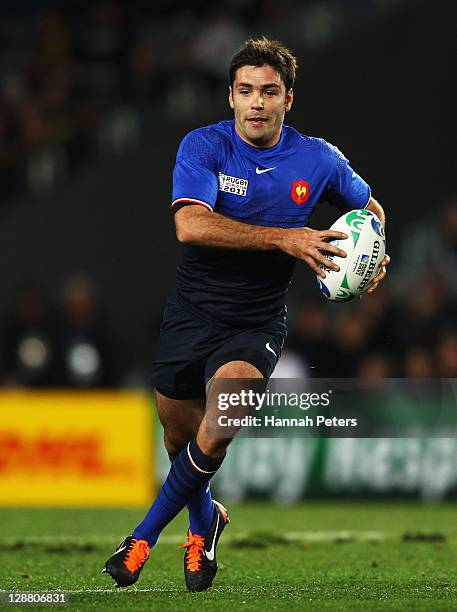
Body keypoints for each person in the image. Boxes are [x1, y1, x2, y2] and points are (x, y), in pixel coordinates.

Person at [102, 37, 389, 591]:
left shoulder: (318, 159)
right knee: (180, 442)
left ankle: (140, 539)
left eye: (269, 92)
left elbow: (369, 208)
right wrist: (287, 239)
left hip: (255, 324)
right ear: (231, 97)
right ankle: (207, 523)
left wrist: (376, 253)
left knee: (219, 427)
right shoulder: (203, 146)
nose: (257, 103)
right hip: (190, 315)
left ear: (289, 100)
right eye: (246, 91)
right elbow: (190, 225)